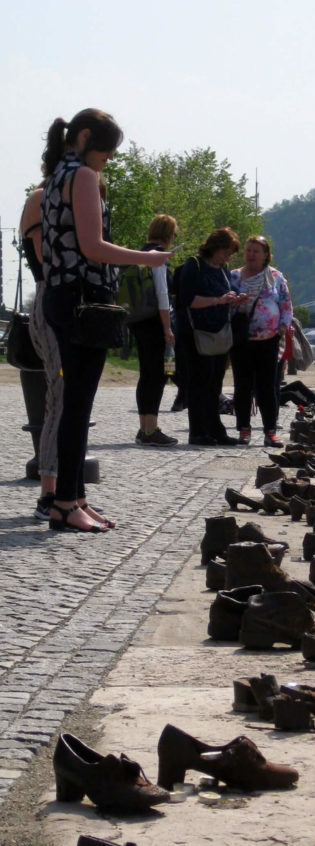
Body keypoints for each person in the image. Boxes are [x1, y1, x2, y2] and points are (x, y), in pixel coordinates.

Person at [41, 108, 172, 533]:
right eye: (107, 151)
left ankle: (75, 496)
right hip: (85, 299)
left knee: (77, 401)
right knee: (78, 404)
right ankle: (65, 503)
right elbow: (94, 247)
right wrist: (147, 258)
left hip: (64, 295)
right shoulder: (81, 177)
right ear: (84, 138)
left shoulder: (56, 175)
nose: (109, 159)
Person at [174, 227, 244, 446]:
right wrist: (217, 300)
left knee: (215, 384)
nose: (228, 257)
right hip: (196, 333)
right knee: (199, 383)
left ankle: (215, 429)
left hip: (219, 333)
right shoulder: (194, 266)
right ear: (216, 247)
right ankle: (198, 431)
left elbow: (227, 292)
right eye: (227, 252)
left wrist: (235, 299)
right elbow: (187, 300)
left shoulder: (223, 270)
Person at [20, 174, 63, 521]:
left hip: (57, 306)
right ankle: (50, 495)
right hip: (51, 307)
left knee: (63, 402)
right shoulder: (40, 200)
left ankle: (65, 491)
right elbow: (46, 260)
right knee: (57, 402)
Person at [229, 235, 293, 447]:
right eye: (248, 250)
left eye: (256, 251)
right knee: (243, 386)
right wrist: (235, 302)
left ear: (266, 255)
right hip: (242, 339)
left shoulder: (275, 276)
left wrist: (281, 328)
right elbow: (225, 306)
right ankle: (244, 430)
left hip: (269, 340)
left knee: (267, 386)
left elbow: (286, 305)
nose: (251, 255)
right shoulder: (235, 277)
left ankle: (270, 431)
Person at [131, 214, 178, 447]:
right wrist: (168, 328)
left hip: (137, 320)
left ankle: (144, 427)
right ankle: (151, 429)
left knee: (146, 374)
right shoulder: (158, 258)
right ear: (170, 235)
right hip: (154, 322)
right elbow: (162, 295)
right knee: (157, 376)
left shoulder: (140, 254)